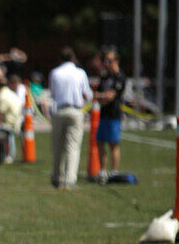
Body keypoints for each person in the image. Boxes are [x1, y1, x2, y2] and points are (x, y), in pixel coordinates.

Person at [48, 46, 93, 188]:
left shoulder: (55, 73)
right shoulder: (80, 73)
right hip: (75, 110)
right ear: (73, 58)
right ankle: (70, 179)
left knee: (57, 146)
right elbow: (88, 94)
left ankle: (57, 176)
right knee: (72, 146)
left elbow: (53, 94)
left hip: (59, 110)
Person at [94, 48, 126, 177]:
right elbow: (98, 96)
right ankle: (102, 171)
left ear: (116, 61)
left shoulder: (120, 77)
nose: (106, 63)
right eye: (105, 60)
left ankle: (114, 171)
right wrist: (102, 97)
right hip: (103, 114)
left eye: (109, 60)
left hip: (114, 114)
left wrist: (101, 97)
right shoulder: (105, 76)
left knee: (113, 144)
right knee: (100, 142)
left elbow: (110, 96)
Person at [0, 73, 24, 161]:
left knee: (7, 136)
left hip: (12, 122)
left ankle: (8, 154)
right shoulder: (7, 93)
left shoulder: (6, 94)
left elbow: (1, 111)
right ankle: (8, 154)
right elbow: (2, 111)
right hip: (12, 121)